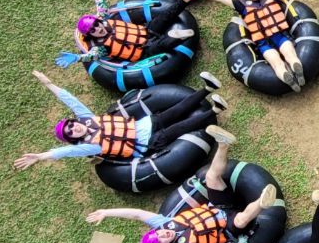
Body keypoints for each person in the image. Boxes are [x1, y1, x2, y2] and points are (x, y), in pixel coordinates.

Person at [85, 127, 277, 243]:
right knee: (242, 220)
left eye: (159, 234)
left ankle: (223, 144)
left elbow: (136, 214)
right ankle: (262, 202)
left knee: (211, 177)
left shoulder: (162, 223)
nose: (163, 234)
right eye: (162, 240)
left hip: (218, 206)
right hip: (227, 227)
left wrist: (106, 212)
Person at [12, 70, 225, 170]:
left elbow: (71, 101)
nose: (74, 128)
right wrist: (40, 156)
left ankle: (207, 89)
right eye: (71, 132)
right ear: (73, 139)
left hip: (145, 123)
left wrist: (49, 84)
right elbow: (65, 152)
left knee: (177, 109)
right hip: (146, 143)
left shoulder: (87, 119)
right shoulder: (90, 146)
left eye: (71, 124)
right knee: (180, 128)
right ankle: (215, 110)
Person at [188, 0, 305, 91]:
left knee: (287, 55)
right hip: (264, 43)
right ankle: (289, 77)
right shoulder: (241, 5)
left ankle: (296, 72)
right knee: (278, 61)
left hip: (279, 36)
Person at [53, 0, 197, 70]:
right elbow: (91, 56)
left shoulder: (104, 18)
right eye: (93, 30)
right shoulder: (101, 47)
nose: (97, 28)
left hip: (147, 31)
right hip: (144, 51)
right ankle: (177, 37)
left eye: (96, 24)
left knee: (163, 17)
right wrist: (78, 58)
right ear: (90, 35)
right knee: (160, 46)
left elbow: (100, 1)